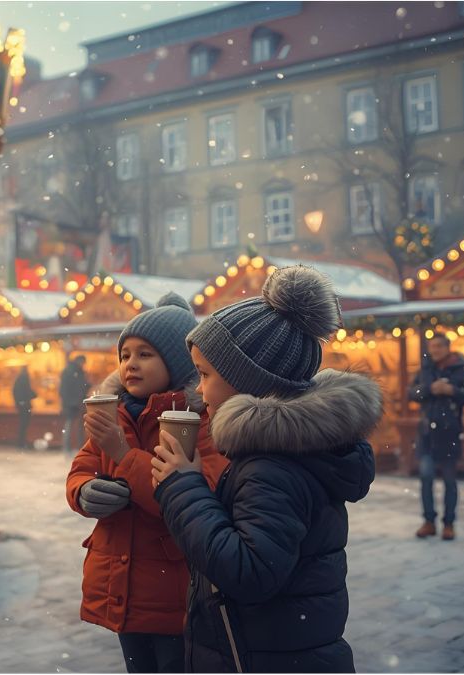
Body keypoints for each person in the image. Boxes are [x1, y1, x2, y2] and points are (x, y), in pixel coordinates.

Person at [151, 266, 381, 672]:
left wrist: (182, 486)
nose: (199, 390)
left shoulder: (272, 466)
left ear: (248, 381)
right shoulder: (288, 450)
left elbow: (250, 573)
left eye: (205, 374)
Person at [67, 293, 229, 674]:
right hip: (120, 586)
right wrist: (85, 492)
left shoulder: (199, 420)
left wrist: (123, 454)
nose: (131, 364)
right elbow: (82, 468)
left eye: (145, 354)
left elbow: (195, 497)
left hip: (172, 590)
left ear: (176, 361)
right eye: (125, 355)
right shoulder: (115, 412)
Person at [408, 334, 464, 540]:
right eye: (432, 346)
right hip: (426, 434)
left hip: (449, 434)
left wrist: (452, 390)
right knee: (426, 478)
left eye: (439, 346)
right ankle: (428, 522)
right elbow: (411, 393)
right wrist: (429, 389)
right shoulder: (425, 370)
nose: (435, 350)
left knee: (449, 481)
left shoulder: (460, 370)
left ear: (448, 348)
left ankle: (449, 524)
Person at [59, 354, 90, 456]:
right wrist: (72, 401)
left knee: (74, 426)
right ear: (79, 361)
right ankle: (68, 448)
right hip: (72, 404)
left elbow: (81, 386)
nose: (83, 365)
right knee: (70, 426)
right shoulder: (71, 371)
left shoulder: (75, 371)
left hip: (76, 403)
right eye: (83, 362)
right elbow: (65, 389)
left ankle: (74, 448)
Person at [12, 366, 37, 448]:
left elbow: (17, 392)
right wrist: (34, 395)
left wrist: (18, 402)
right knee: (24, 424)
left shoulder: (19, 379)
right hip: (24, 405)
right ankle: (21, 442)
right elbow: (27, 390)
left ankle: (21, 442)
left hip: (21, 405)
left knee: (23, 424)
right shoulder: (24, 378)